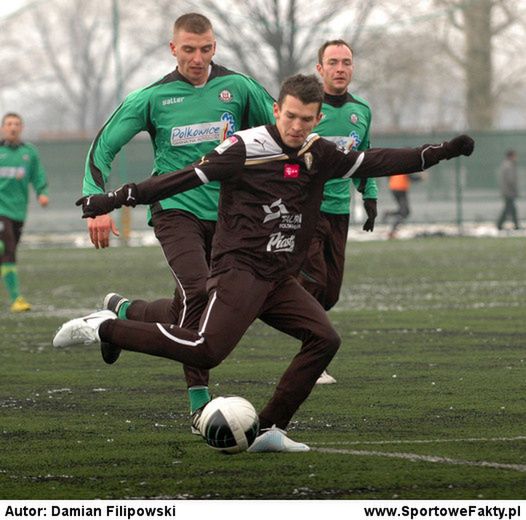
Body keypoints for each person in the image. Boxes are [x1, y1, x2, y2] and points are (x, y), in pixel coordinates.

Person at [56, 74, 474, 452]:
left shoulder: (318, 153)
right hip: (240, 271)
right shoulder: (244, 148)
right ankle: (104, 328)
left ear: (317, 118)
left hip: (278, 277)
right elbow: (181, 178)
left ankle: (270, 429)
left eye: (306, 119)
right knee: (205, 350)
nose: (296, 127)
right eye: (290, 116)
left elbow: (378, 161)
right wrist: (115, 197)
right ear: (276, 110)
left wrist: (439, 152)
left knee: (324, 339)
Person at [83, 13, 275, 419]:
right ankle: (198, 401)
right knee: (199, 291)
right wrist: (94, 200)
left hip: (228, 216)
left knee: (182, 311)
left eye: (205, 49)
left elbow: (278, 135)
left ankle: (121, 310)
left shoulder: (238, 88)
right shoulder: (152, 98)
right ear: (173, 49)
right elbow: (103, 147)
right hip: (175, 211)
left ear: (215, 47)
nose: (198, 58)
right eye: (188, 49)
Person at [298, 40, 378, 385]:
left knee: (330, 293)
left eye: (346, 62)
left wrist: (369, 193)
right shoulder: (305, 109)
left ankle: (283, 304)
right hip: (305, 210)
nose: (340, 68)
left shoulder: (361, 111)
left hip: (340, 210)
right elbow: (286, 156)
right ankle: (313, 357)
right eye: (333, 62)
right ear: (320, 69)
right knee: (314, 279)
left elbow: (364, 156)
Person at [0, 113, 49, 312]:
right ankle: (16, 299)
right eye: (9, 124)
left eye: (17, 124)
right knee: (7, 249)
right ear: (3, 127)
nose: (13, 127)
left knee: (6, 251)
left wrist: (42, 192)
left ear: (22, 127)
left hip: (18, 212)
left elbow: (38, 175)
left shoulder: (29, 153)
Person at [382, 173, 420, 239]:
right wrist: (421, 178)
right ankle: (392, 231)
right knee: (405, 212)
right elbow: (411, 177)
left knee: (404, 211)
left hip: (395, 188)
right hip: (400, 189)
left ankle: (388, 213)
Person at [496, 150, 520, 230]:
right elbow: (511, 180)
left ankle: (515, 225)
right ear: (511, 156)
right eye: (515, 156)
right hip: (509, 192)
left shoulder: (506, 165)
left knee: (510, 209)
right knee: (509, 209)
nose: (516, 158)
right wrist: (515, 190)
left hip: (507, 192)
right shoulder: (508, 166)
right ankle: (500, 224)